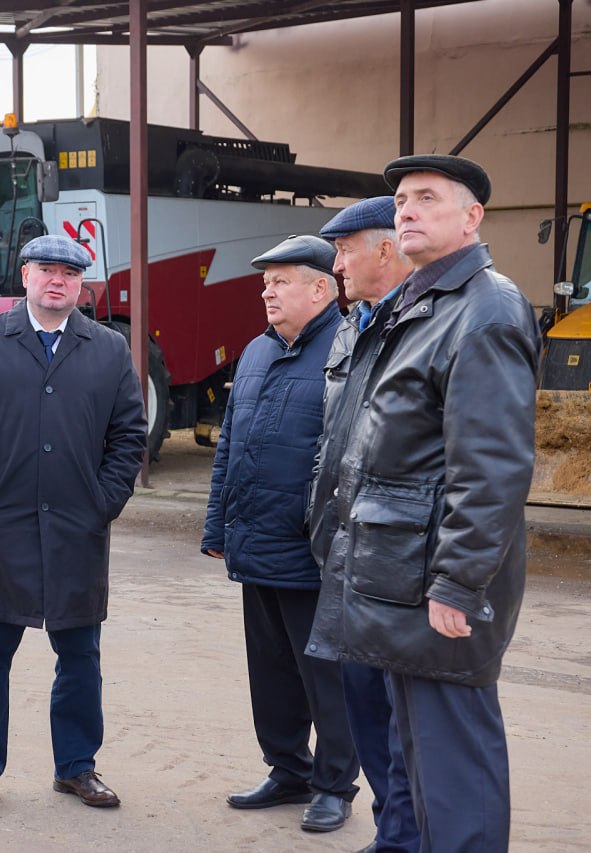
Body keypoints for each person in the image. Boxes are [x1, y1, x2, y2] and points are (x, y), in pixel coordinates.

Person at [324, 155, 539, 851]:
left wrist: (457, 579)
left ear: (471, 217)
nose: (406, 210)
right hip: (401, 575)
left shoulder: (485, 309)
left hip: (437, 587)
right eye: (401, 200)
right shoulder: (425, 301)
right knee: (420, 768)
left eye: (426, 198)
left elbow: (493, 467)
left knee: (457, 773)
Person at [0, 234, 146, 814]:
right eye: (47, 270)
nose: (59, 281)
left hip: (79, 528)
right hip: (3, 528)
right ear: (24, 276)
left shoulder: (107, 348)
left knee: (80, 655)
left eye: (71, 274)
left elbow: (130, 433)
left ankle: (76, 767)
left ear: (83, 285)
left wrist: (104, 501)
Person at [201, 234, 359, 833]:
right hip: (254, 543)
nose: (267, 290)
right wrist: (218, 524)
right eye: (265, 282)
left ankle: (335, 784)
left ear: (321, 288)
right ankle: (288, 769)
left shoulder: (348, 351)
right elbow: (230, 449)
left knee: (325, 672)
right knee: (270, 670)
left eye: (281, 281)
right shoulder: (256, 353)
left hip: (312, 551)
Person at [307, 197, 419, 853]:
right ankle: (392, 829)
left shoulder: (423, 322)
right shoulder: (355, 326)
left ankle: (405, 835)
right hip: (347, 548)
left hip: (398, 553)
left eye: (345, 249)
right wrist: (318, 519)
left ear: (384, 249)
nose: (337, 262)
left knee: (405, 712)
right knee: (362, 702)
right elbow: (335, 435)